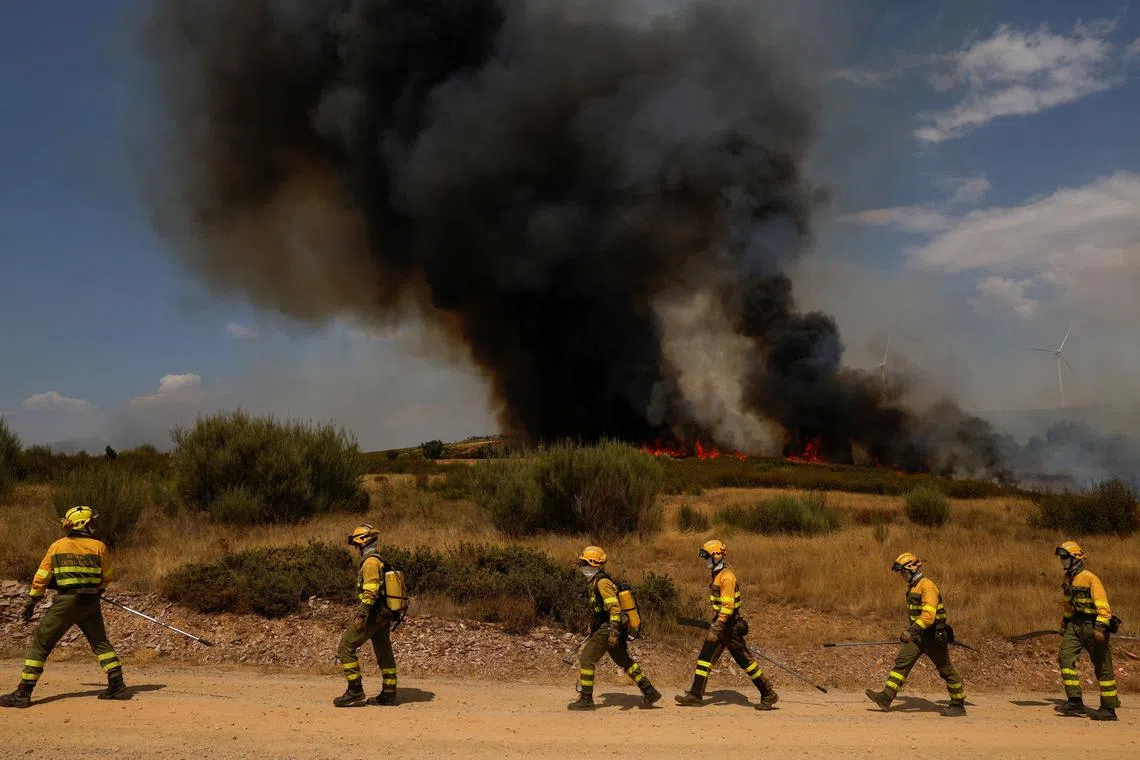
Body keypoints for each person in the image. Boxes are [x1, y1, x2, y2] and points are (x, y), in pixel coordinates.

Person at [0, 506, 128, 708]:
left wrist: (31, 601)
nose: (95, 525)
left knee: (41, 644)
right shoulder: (99, 547)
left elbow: (41, 577)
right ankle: (117, 685)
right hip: (90, 603)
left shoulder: (57, 547)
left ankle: (23, 692)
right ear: (83, 524)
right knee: (100, 643)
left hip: (66, 603)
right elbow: (107, 577)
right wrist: (98, 589)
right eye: (92, 522)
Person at [674, 540, 778, 710]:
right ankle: (695, 695)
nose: (705, 560)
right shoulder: (717, 574)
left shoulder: (727, 577)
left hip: (728, 626)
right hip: (721, 624)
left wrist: (718, 626)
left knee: (746, 662)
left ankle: (768, 694)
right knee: (705, 659)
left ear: (716, 556)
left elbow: (728, 607)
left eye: (707, 556)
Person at [864, 553, 966, 717]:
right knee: (902, 663)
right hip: (918, 636)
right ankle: (885, 697)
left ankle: (958, 705)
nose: (902, 576)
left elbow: (928, 615)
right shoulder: (914, 587)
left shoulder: (927, 586)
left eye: (903, 572)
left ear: (912, 569)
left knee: (946, 670)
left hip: (933, 637)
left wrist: (911, 631)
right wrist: (913, 632)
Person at [567, 546, 661, 710]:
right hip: (606, 627)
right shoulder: (595, 581)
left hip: (609, 628)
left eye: (583, 562)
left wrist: (613, 632)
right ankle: (649, 690)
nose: (580, 566)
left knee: (587, 659)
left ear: (592, 563)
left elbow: (615, 609)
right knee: (623, 660)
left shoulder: (602, 583)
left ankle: (586, 699)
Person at [333, 524, 399, 707]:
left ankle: (355, 691)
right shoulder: (379, 560)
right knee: (383, 651)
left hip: (373, 613)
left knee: (346, 645)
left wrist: (361, 614)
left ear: (362, 543)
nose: (355, 549)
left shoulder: (370, 562)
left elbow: (370, 592)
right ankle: (389, 692)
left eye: (356, 545)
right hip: (384, 614)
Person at [1054, 541, 1120, 721]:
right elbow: (1069, 605)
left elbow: (1103, 606)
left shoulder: (1090, 578)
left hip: (1092, 626)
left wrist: (1100, 627)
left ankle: (1109, 708)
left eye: (1065, 557)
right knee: (1065, 658)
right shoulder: (1067, 579)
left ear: (1075, 558)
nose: (1062, 561)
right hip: (1075, 625)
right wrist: (1065, 624)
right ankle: (1075, 701)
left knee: (1102, 666)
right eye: (1061, 558)